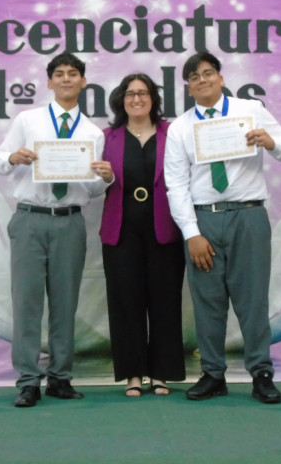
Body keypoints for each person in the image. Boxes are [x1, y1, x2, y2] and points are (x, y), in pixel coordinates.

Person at [164, 52, 281, 404]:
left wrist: (270, 142)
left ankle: (261, 373)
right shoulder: (180, 127)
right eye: (194, 77)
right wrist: (191, 233)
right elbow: (176, 185)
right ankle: (212, 374)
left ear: (221, 78)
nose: (202, 80)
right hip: (204, 221)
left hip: (248, 216)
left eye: (208, 73)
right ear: (189, 88)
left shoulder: (250, 110)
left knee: (252, 299)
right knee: (207, 301)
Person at [0, 52, 114, 408]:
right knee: (27, 303)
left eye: (72, 73)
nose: (66, 79)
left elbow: (91, 189)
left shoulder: (92, 132)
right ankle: (28, 380)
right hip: (30, 218)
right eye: (59, 74)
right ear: (49, 82)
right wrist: (13, 157)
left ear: (83, 82)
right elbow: (0, 161)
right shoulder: (28, 120)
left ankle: (60, 377)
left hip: (70, 221)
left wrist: (105, 178)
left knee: (65, 302)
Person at [100, 74, 186, 397]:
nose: (137, 99)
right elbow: (92, 184)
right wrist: (104, 178)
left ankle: (161, 372)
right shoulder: (107, 137)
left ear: (153, 98)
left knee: (165, 301)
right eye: (130, 93)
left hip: (165, 228)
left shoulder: (172, 133)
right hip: (121, 231)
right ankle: (133, 374)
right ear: (121, 100)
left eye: (143, 93)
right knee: (126, 302)